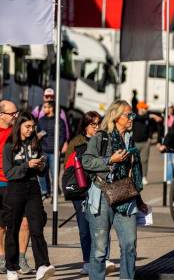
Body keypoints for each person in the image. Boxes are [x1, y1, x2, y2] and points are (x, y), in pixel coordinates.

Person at [83, 100, 146, 280]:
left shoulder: (129, 139)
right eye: (128, 115)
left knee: (129, 245)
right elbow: (86, 162)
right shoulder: (101, 137)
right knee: (100, 249)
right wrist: (110, 160)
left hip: (126, 196)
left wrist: (139, 200)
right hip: (102, 194)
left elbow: (133, 173)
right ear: (116, 116)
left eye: (132, 115)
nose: (132, 118)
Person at [63, 111, 117, 275]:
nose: (96, 127)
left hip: (101, 187)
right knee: (85, 227)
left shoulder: (105, 139)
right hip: (81, 189)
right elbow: (68, 169)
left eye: (98, 124)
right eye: (93, 124)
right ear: (85, 126)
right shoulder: (76, 142)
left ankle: (104, 258)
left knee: (103, 225)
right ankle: (87, 260)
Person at [3, 112, 56, 280]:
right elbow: (9, 173)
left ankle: (42, 265)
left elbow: (41, 173)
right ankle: (11, 267)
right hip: (15, 189)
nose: (31, 130)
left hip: (33, 188)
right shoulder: (9, 145)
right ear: (19, 126)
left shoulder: (35, 143)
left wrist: (42, 165)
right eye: (27, 127)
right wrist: (27, 165)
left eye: (33, 127)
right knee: (12, 228)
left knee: (36, 227)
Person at [0, 100, 32, 276]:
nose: (15, 116)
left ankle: (21, 257)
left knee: (25, 222)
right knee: (2, 225)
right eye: (12, 114)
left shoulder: (18, 130)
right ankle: (2, 257)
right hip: (0, 183)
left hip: (18, 181)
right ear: (1, 115)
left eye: (16, 113)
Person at [36, 101, 68, 198]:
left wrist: (59, 148)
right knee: (41, 173)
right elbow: (36, 134)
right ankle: (45, 191)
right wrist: (39, 135)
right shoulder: (40, 120)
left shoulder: (60, 121)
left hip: (54, 151)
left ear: (51, 108)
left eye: (45, 107)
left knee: (54, 174)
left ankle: (54, 194)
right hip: (43, 150)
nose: (43, 109)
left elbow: (62, 136)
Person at [131, 102, 161, 186]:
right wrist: (151, 116)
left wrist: (149, 137)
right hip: (135, 142)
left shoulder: (147, 117)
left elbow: (150, 128)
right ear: (139, 108)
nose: (146, 110)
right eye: (144, 108)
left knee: (144, 160)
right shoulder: (135, 115)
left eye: (146, 108)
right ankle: (134, 177)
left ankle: (144, 177)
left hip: (145, 143)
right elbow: (139, 117)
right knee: (134, 161)